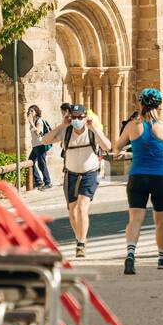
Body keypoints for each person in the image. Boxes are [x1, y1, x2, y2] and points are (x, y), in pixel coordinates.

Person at [113, 88, 163, 274]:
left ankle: (131, 254)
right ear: (159, 105)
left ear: (141, 105)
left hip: (137, 176)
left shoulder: (133, 125)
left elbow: (116, 147)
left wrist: (130, 151)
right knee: (162, 221)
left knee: (135, 219)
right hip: (159, 177)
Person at [40, 103, 112, 258]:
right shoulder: (66, 131)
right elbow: (45, 141)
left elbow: (107, 146)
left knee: (82, 208)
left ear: (86, 117)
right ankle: (78, 237)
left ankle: (81, 243)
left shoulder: (92, 132)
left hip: (89, 173)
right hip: (71, 174)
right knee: (72, 212)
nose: (77, 120)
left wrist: (94, 128)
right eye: (74, 117)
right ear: (69, 118)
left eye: (80, 117)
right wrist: (62, 125)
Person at [26, 105, 52, 191]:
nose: (30, 112)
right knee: (30, 163)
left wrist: (31, 123)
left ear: (36, 112)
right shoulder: (33, 120)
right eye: (29, 111)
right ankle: (38, 181)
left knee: (42, 164)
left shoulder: (39, 121)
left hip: (40, 145)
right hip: (35, 146)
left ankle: (48, 182)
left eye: (32, 111)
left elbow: (38, 132)